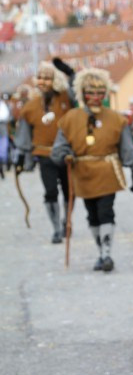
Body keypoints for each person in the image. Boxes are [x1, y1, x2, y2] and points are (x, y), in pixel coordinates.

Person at [50, 68, 133, 272]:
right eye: (91, 93)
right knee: (92, 215)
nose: (96, 98)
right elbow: (59, 147)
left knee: (105, 211)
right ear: (82, 94)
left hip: (107, 170)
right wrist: (66, 155)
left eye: (100, 93)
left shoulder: (117, 119)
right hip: (82, 173)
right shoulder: (69, 119)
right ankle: (101, 251)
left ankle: (107, 254)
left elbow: (127, 148)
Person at [15, 62, 73, 242]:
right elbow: (24, 135)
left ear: (54, 80)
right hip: (44, 154)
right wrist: (21, 158)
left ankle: (66, 222)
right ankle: (56, 228)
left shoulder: (66, 98)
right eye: (40, 78)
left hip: (66, 153)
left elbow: (77, 87)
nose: (43, 82)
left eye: (47, 78)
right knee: (50, 192)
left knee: (69, 190)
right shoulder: (30, 107)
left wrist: (69, 72)